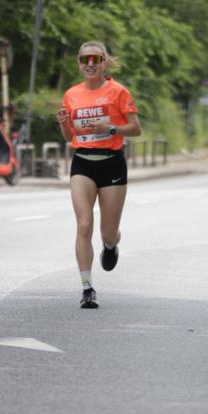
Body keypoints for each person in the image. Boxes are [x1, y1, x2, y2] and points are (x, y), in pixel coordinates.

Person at [56, 41, 141, 310]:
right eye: (84, 60)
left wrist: (111, 127)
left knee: (108, 231)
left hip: (112, 163)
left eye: (95, 59)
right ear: (79, 64)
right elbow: (71, 137)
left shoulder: (118, 92)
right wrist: (64, 125)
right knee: (83, 224)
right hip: (82, 163)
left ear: (104, 62)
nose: (90, 64)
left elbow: (136, 129)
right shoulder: (71, 95)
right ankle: (87, 287)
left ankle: (111, 244)